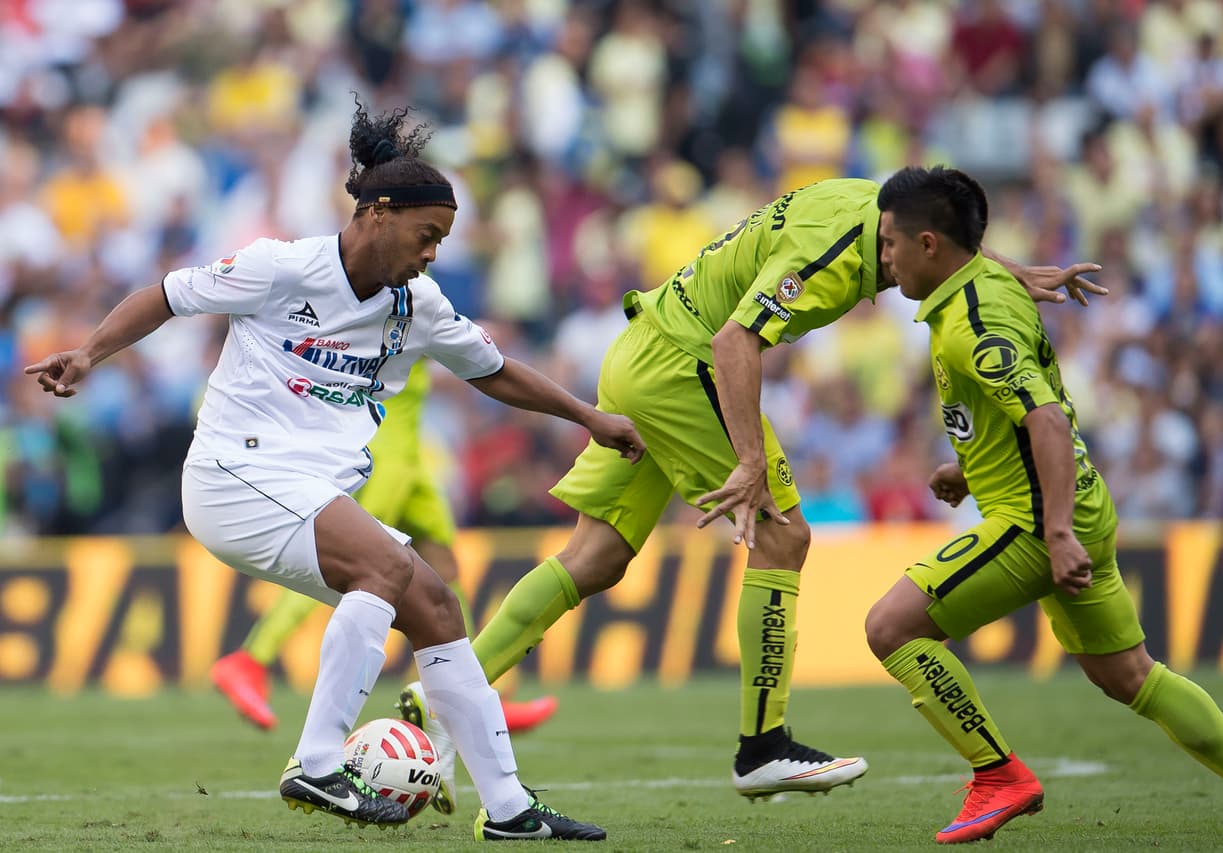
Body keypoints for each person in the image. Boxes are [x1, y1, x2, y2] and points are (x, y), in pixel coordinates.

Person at [26, 99, 643, 841]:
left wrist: (590, 416)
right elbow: (166, 295)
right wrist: (89, 352)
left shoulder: (416, 305)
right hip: (231, 474)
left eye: (441, 242)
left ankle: (509, 808)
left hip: (309, 492)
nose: (432, 254)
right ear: (378, 214)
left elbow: (495, 371)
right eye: (427, 235)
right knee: (384, 566)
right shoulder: (282, 268)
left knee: (438, 608)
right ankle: (318, 760)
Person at [401, 175, 1105, 803]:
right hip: (687, 362)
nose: (891, 266)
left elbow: (935, 247)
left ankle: (439, 691)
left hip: (641, 353)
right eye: (890, 250)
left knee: (597, 555)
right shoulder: (833, 256)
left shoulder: (874, 204)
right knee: (781, 534)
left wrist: (1009, 273)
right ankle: (762, 746)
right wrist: (748, 460)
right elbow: (736, 342)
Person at [865, 165, 1223, 845]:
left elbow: (1048, 421)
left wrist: (1055, 533)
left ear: (931, 245)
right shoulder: (990, 281)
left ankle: (997, 773)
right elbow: (1020, 418)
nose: (883, 259)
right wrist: (972, 469)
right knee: (1132, 676)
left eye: (890, 244)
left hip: (1037, 521)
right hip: (1078, 503)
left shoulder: (974, 321)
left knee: (891, 628)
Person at [209, 358, 558, 747]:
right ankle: (252, 658)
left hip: (411, 453)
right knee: (352, 559)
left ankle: (478, 690)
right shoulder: (394, 301)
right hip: (382, 449)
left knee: (442, 565)